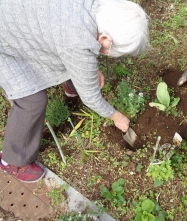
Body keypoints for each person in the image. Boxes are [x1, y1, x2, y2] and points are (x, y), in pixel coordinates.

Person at [0, 0, 149, 183]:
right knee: (32, 102)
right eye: (112, 52)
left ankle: (72, 86)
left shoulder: (93, 6)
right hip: (5, 39)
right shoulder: (77, 42)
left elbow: (69, 42)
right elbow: (91, 97)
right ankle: (12, 160)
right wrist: (118, 118)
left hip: (21, 18)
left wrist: (89, 68)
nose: (109, 55)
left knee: (72, 59)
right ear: (104, 39)